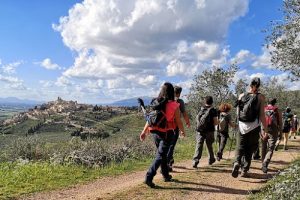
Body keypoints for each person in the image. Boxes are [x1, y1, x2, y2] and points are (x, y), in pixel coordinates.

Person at [140, 82, 185, 188]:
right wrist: (182, 131)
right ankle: (149, 176)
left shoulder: (155, 102)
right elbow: (178, 121)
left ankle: (165, 175)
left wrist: (144, 131)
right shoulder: (174, 105)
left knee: (162, 155)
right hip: (167, 133)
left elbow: (150, 118)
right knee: (160, 155)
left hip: (155, 132)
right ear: (171, 92)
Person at [232, 77, 268, 178]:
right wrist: (265, 129)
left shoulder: (241, 95)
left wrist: (238, 124)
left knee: (240, 145)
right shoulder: (261, 97)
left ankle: (237, 162)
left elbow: (237, 113)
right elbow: (262, 115)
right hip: (254, 126)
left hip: (242, 125)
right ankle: (244, 170)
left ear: (249, 85)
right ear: (259, 86)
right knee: (250, 148)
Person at [166, 86, 190, 171]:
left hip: (164, 126)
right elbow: (184, 113)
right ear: (179, 93)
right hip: (174, 126)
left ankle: (169, 160)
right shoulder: (179, 102)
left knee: (166, 144)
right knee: (171, 145)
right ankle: (167, 164)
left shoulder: (166, 100)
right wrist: (187, 122)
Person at [192, 96, 218, 168]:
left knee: (199, 145)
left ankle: (195, 161)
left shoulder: (201, 109)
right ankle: (211, 159)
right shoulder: (213, 110)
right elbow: (215, 122)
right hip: (210, 131)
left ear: (205, 101)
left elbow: (197, 119)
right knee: (209, 145)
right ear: (212, 102)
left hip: (200, 130)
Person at [261, 98, 282, 173]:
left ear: (268, 102)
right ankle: (265, 163)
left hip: (263, 128)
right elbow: (280, 122)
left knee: (263, 147)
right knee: (270, 148)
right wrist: (280, 132)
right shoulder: (277, 110)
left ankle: (262, 163)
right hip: (273, 129)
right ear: (274, 103)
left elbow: (260, 119)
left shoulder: (263, 109)